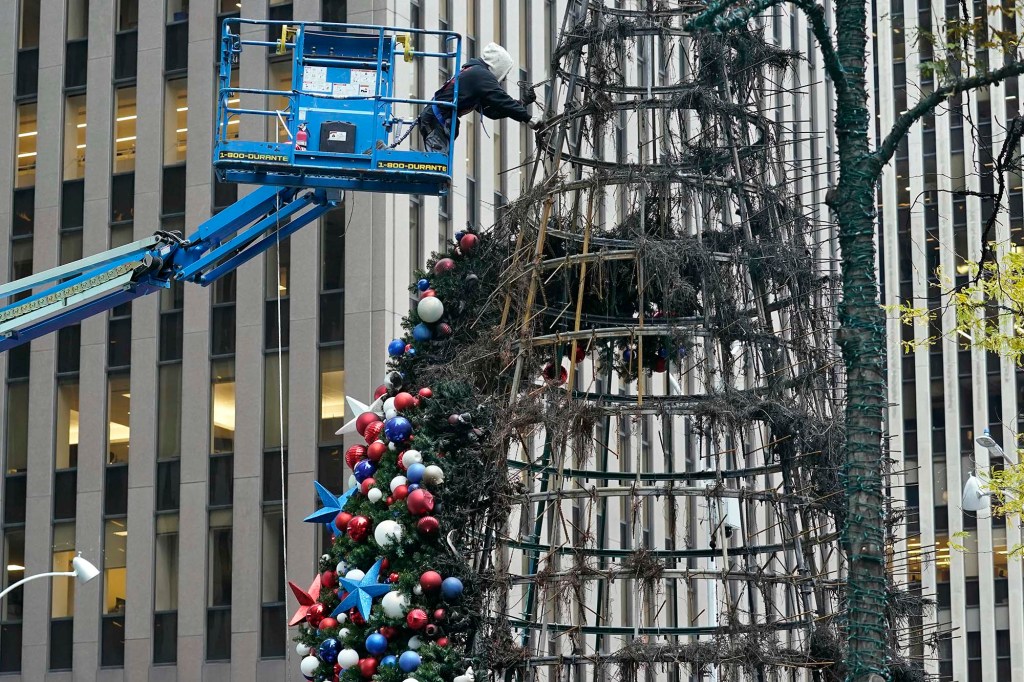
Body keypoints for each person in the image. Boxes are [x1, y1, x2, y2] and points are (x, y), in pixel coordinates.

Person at [419, 42, 542, 153]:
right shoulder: (480, 75)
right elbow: (501, 100)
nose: (504, 78)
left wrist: (522, 103)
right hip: (436, 120)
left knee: (441, 167)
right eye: (505, 73)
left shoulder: (475, 76)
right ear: (498, 66)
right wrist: (527, 118)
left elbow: (492, 111)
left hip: (436, 119)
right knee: (439, 167)